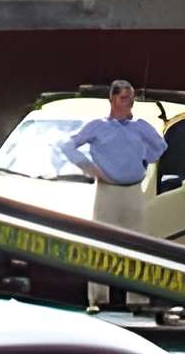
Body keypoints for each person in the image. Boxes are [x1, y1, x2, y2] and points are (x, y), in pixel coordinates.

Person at [66, 81, 167, 238]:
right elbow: (68, 146)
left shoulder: (140, 126)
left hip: (134, 192)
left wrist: (144, 159)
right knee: (105, 238)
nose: (129, 104)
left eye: (131, 99)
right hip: (108, 192)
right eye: (124, 98)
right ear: (112, 99)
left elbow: (160, 146)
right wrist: (90, 169)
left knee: (136, 240)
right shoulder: (98, 126)